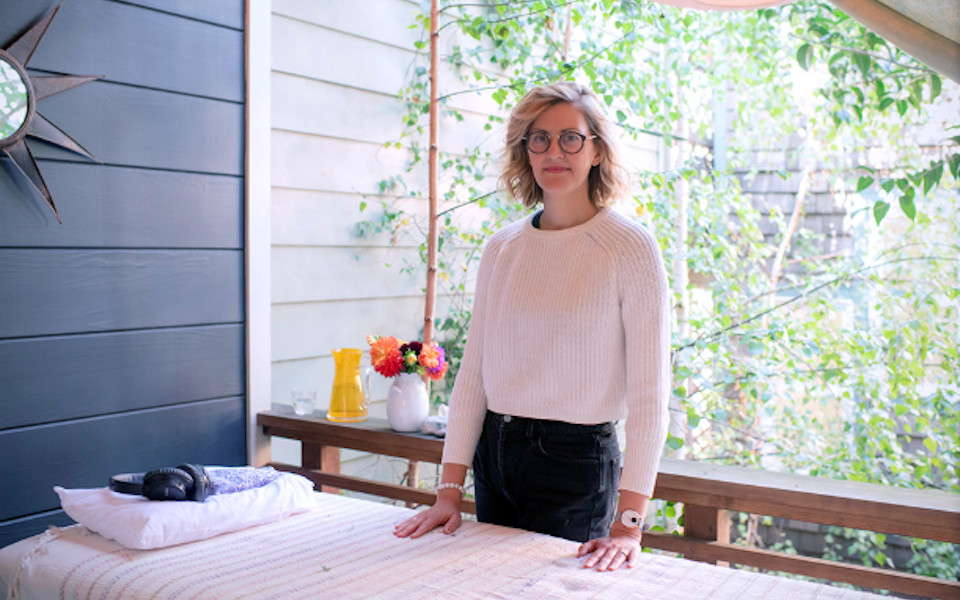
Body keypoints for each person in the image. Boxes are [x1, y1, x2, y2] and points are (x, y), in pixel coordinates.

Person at [394, 81, 669, 573]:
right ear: (525, 151)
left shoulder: (630, 247)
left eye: (571, 138)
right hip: (495, 455)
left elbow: (651, 395)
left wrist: (629, 526)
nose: (553, 151)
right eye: (538, 138)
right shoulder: (502, 248)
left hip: (576, 465)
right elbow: (474, 374)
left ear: (597, 150)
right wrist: (448, 492)